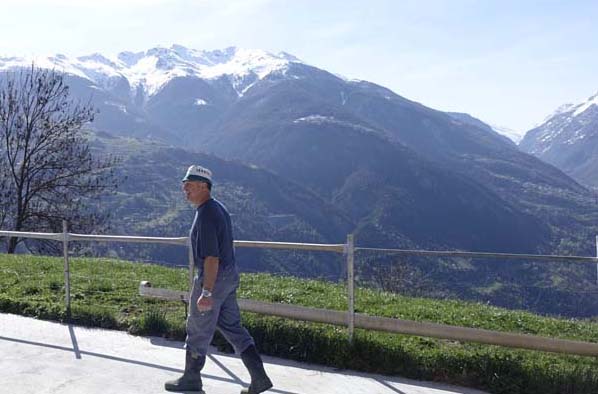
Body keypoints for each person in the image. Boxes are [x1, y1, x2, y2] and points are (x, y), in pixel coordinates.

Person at [165, 164, 273, 394]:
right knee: (233, 327)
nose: (185, 191)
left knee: (197, 327)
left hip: (213, 278)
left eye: (190, 186)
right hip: (229, 275)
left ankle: (191, 379)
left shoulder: (206, 215)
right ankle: (259, 377)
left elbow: (211, 257)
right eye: (184, 186)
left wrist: (206, 292)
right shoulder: (218, 208)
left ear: (204, 187)